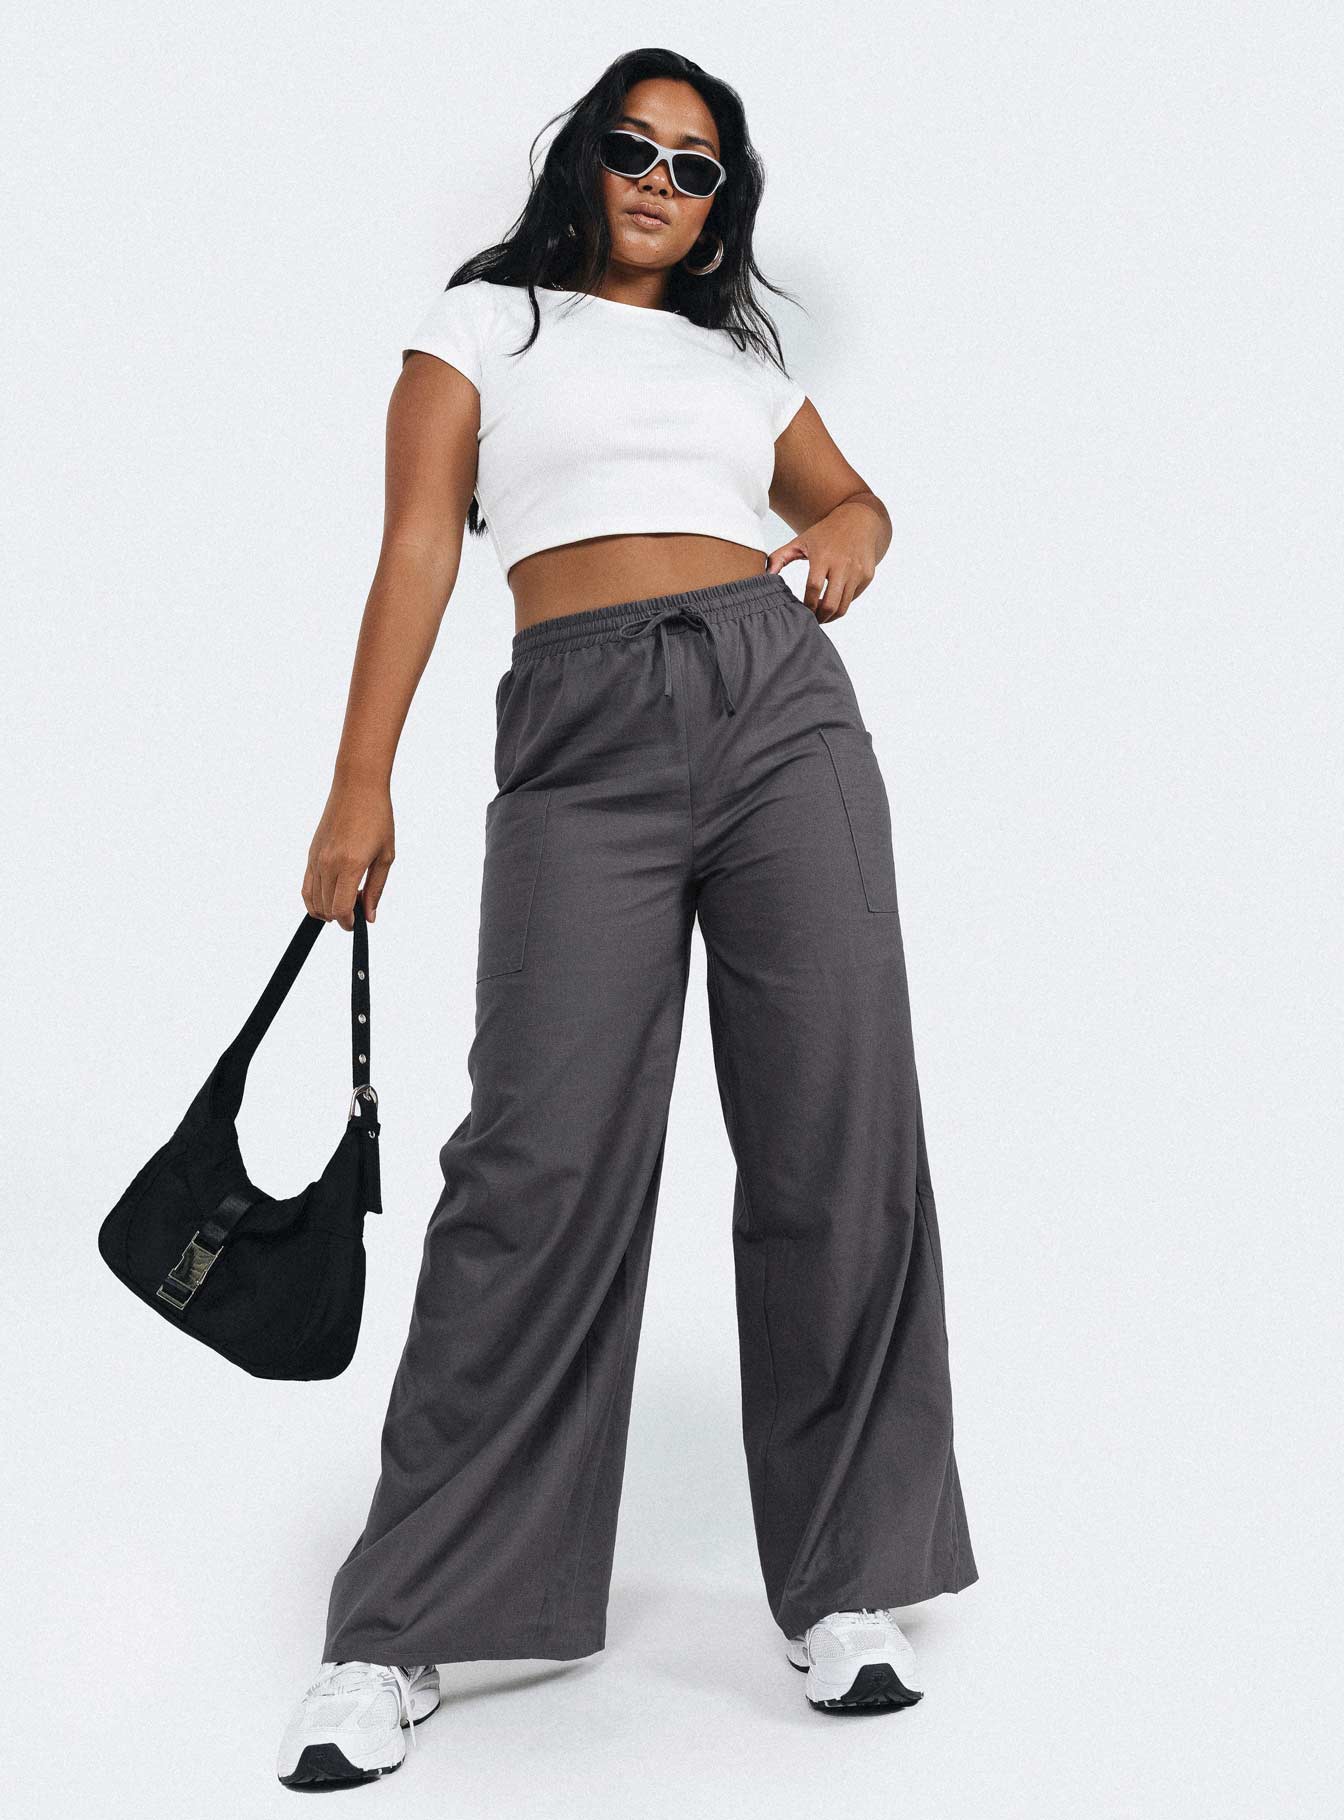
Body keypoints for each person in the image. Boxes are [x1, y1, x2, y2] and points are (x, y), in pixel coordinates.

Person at [276, 47, 977, 1790]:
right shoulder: (481, 328)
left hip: (779, 709)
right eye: (636, 147)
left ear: (722, 203)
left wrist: (855, 531)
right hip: (578, 731)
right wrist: (359, 783)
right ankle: (398, 1625)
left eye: (697, 164)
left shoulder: (739, 362)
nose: (664, 180)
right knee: (535, 1156)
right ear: (582, 160)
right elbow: (418, 548)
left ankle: (844, 1587)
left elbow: (849, 497)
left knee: (835, 1132)